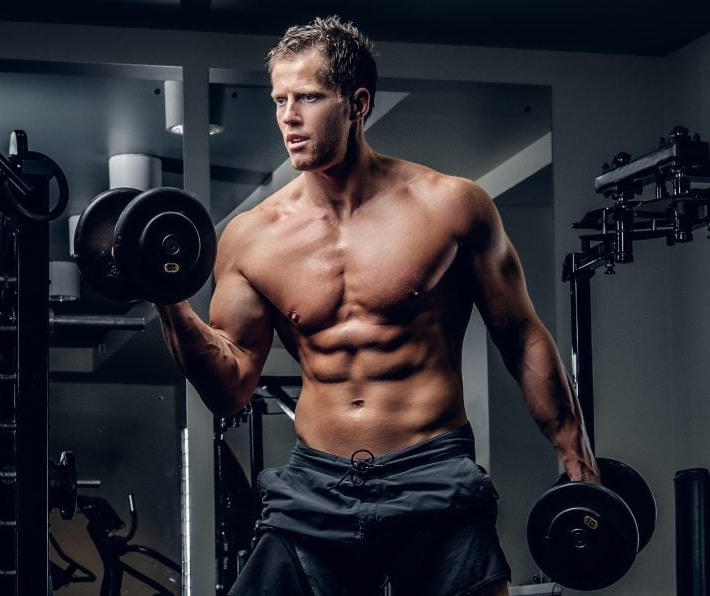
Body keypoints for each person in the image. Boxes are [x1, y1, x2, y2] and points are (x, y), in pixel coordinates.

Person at [156, 15, 598, 596]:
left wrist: (574, 448)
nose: (288, 117)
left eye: (309, 98)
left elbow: (519, 334)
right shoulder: (250, 238)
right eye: (280, 99)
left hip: (433, 471)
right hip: (316, 484)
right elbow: (230, 386)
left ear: (357, 103)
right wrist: (169, 301)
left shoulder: (451, 206)